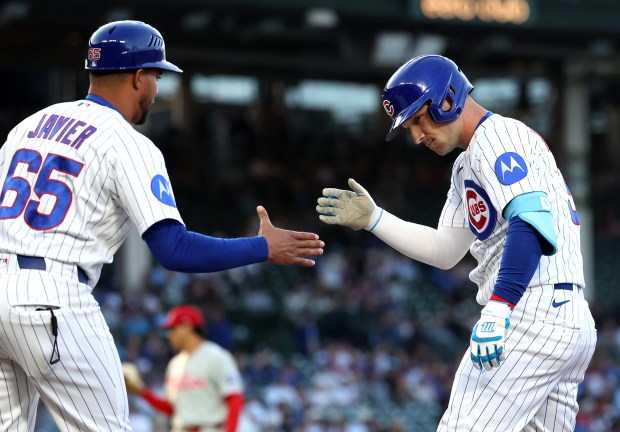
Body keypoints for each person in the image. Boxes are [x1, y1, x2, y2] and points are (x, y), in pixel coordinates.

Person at [0, 20, 323, 431]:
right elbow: (174, 250)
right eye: (155, 76)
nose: (157, 88)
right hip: (52, 295)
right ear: (138, 77)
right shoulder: (127, 142)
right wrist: (262, 247)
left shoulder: (28, 126)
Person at [315, 55, 596, 431]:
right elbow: (446, 250)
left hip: (532, 313)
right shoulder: (468, 163)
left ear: (447, 99)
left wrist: (499, 309)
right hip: (564, 319)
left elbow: (530, 222)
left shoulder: (498, 137)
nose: (416, 136)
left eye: (418, 119)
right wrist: (375, 219)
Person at [123, 305, 243, 432]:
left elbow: (234, 398)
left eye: (173, 329)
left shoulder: (217, 356)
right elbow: (171, 408)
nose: (169, 335)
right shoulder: (175, 364)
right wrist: (142, 392)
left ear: (187, 326)